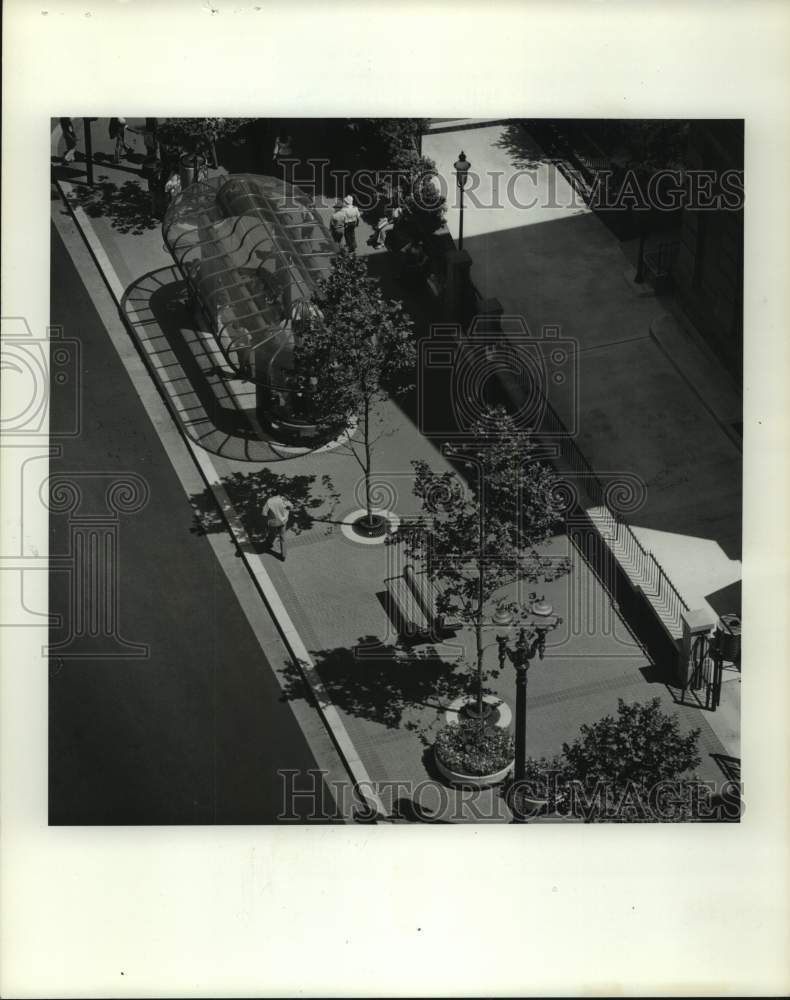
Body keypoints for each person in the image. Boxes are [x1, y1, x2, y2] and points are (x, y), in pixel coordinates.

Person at [262, 494, 292, 561]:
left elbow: (264, 513)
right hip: (283, 521)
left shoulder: (269, 501)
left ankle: (269, 544)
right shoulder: (284, 500)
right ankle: (283, 555)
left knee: (272, 533)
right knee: (282, 537)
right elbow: (291, 507)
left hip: (273, 522)